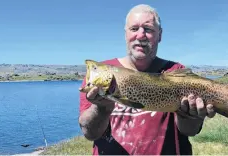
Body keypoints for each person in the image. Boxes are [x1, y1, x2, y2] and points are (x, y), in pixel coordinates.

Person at [78, 4, 217, 155]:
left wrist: (190, 116)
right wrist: (101, 109)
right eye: (134, 29)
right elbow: (90, 133)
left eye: (148, 29)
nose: (140, 35)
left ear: (160, 35)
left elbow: (190, 131)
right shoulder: (101, 73)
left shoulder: (176, 72)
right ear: (125, 34)